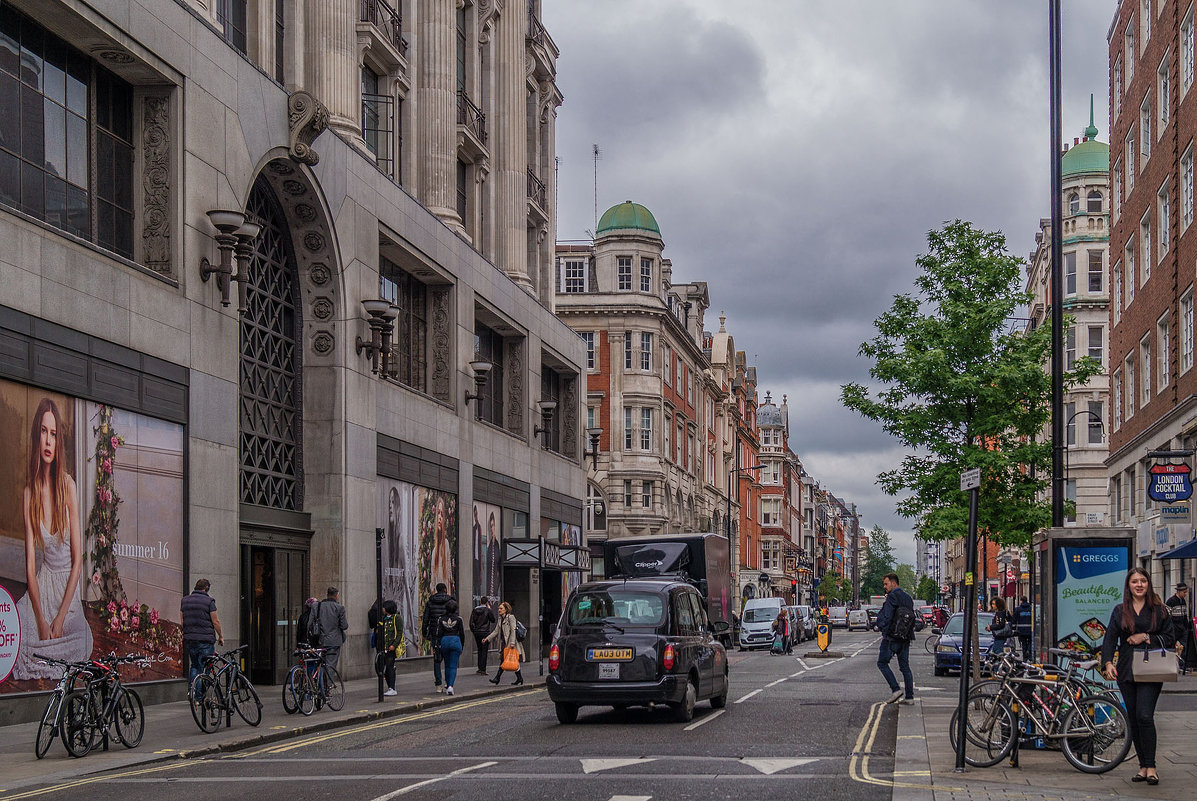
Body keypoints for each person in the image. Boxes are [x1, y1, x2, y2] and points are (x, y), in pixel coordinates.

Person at [12, 398, 93, 680]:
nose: (49, 440)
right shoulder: (28, 495)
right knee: (20, 635)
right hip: (43, 587)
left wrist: (58, 618)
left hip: (66, 591)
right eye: (44, 432)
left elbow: (77, 564)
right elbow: (30, 569)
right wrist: (41, 619)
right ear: (38, 437)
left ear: (59, 441)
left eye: (54, 434)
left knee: (81, 640)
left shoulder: (68, 486)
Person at [1100, 567, 1176, 786]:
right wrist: (1107, 662)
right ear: (1129, 585)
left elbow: (1170, 637)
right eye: (1135, 581)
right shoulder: (1119, 610)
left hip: (1152, 669)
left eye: (1143, 580)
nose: (1139, 585)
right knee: (1133, 718)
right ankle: (1142, 767)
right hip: (1126, 668)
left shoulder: (1159, 610)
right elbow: (1110, 638)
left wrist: (1145, 637)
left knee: (1144, 715)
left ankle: (1151, 766)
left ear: (1148, 584)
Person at [874, 572, 915, 705]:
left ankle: (895, 689)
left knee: (882, 663)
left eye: (886, 584)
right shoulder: (908, 598)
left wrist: (882, 629)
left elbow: (888, 616)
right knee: (905, 667)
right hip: (905, 637)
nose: (884, 586)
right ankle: (909, 697)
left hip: (891, 638)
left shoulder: (892, 597)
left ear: (893, 583)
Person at [180, 578, 224, 688]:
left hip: (190, 639)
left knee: (195, 666)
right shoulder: (209, 601)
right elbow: (215, 621)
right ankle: (200, 695)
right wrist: (221, 636)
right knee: (206, 667)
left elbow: (182, 621)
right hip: (205, 640)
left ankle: (193, 694)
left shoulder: (185, 600)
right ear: (207, 588)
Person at [422, 582, 455, 692]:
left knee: (437, 660)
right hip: (448, 633)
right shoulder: (451, 601)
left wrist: (425, 632)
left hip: (435, 633)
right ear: (445, 589)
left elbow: (426, 618)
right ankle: (447, 682)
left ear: (436, 590)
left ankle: (438, 685)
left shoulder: (431, 602)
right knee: (448, 659)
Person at [485, 601, 524, 685]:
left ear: (506, 609)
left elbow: (513, 630)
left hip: (510, 643)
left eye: (501, 608)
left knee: (504, 660)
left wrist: (512, 642)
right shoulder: (500, 619)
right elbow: (496, 631)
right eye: (499, 608)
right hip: (503, 643)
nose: (499, 610)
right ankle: (519, 678)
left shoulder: (511, 617)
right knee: (511, 661)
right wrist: (487, 639)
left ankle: (497, 678)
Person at [309, 586, 349, 671]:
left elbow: (309, 624)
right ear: (336, 596)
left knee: (319, 661)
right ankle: (328, 683)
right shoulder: (339, 608)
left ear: (327, 594)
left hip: (320, 639)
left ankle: (318, 680)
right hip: (334, 641)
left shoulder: (316, 606)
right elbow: (344, 626)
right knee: (331, 664)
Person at [1165, 583, 1197, 672]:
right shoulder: (1171, 601)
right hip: (1174, 629)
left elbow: (1185, 615)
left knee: (1186, 646)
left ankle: (1183, 666)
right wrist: (1170, 628)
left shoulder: (1183, 601)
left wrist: (1186, 627)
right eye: (1184, 592)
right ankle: (1169, 665)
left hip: (1182, 628)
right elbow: (1167, 616)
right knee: (1170, 647)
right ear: (1179, 591)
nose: (1185, 594)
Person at [436, 599, 466, 695]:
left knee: (447, 665)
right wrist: (462, 645)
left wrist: (439, 644)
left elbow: (439, 633)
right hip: (455, 641)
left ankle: (447, 683)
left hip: (445, 641)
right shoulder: (459, 619)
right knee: (453, 666)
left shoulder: (441, 619)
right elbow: (462, 633)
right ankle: (450, 686)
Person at [376, 599, 403, 696]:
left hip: (391, 648)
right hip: (383, 647)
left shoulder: (397, 618)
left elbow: (399, 633)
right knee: (382, 667)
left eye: (384, 607)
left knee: (389, 667)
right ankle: (390, 687)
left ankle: (392, 688)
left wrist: (394, 645)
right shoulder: (383, 619)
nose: (382, 609)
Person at [469, 595, 497, 674]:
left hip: (477, 632)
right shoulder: (488, 610)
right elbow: (493, 620)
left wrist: (474, 631)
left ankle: (479, 667)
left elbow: (471, 623)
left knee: (479, 649)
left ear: (480, 601)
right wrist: (490, 609)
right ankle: (483, 669)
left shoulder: (475, 610)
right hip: (485, 632)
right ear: (487, 602)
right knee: (484, 650)